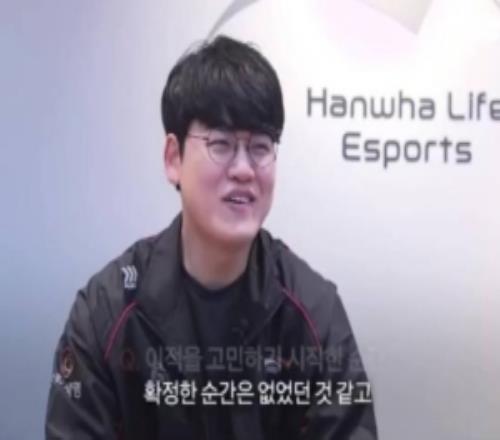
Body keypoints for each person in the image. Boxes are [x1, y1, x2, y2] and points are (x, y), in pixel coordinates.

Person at [45, 35, 378, 440]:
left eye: (260, 147)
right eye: (221, 144)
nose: (244, 169)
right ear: (174, 158)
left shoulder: (313, 312)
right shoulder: (106, 313)